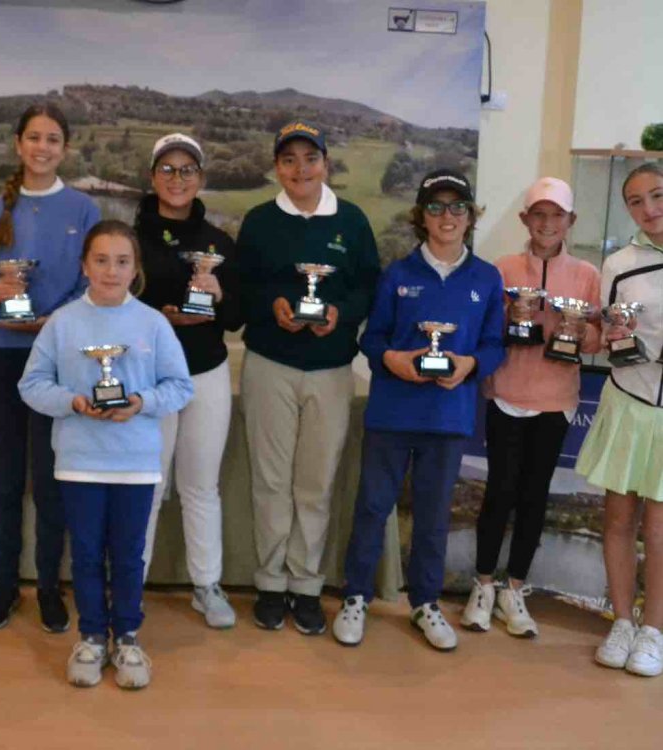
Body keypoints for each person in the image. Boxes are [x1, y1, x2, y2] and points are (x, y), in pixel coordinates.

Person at [333, 169, 505, 651]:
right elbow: (373, 339)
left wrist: (470, 363)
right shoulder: (398, 274)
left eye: (456, 207)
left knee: (432, 515)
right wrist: (392, 360)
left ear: (470, 217)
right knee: (372, 507)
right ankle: (356, 597)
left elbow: (495, 346)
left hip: (447, 418)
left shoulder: (487, 278)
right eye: (435, 207)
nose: (446, 217)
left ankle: (425, 603)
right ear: (421, 217)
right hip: (392, 413)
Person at [19, 220, 193, 690]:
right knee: (88, 555)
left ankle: (129, 637)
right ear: (85, 265)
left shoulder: (152, 324)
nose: (111, 271)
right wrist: (73, 402)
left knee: (130, 555)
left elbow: (179, 386)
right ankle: (93, 636)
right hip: (79, 460)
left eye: (121, 261)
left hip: (135, 463)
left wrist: (140, 403)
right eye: (101, 260)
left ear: (135, 268)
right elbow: (32, 384)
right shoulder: (63, 321)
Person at [236, 121, 381, 633]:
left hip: (330, 368)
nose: (301, 169)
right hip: (270, 365)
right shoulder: (258, 221)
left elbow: (369, 288)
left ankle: (306, 585)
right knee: (271, 480)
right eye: (290, 159)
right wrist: (270, 304)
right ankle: (270, 583)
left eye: (310, 158)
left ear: (326, 162)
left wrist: (340, 311)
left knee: (315, 484)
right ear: (277, 166)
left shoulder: (352, 221)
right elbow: (240, 289)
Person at [0, 103, 100, 632]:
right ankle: (5, 584)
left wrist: (53, 319)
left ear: (64, 149)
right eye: (33, 138)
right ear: (18, 144)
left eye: (52, 140)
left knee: (49, 482)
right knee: (5, 478)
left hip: (57, 360)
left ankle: (48, 585)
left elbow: (90, 286)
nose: (42, 148)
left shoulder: (83, 209)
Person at [461, 177, 600, 638]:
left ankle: (514, 588)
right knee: (499, 491)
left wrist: (573, 328)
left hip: (556, 400)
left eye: (556, 215)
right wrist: (513, 318)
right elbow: (486, 329)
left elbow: (598, 339)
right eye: (538, 214)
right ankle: (482, 585)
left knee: (534, 497)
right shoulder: (501, 269)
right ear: (525, 220)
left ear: (570, 222)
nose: (547, 223)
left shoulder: (586, 275)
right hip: (507, 396)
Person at [134, 133, 239, 628]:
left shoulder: (219, 243)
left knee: (200, 485)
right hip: (150, 375)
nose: (178, 179)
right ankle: (131, 584)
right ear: (153, 176)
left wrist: (216, 298)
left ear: (201, 179)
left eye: (188, 170)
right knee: (148, 485)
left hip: (206, 371)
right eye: (168, 169)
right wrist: (160, 316)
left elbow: (237, 316)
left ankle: (206, 584)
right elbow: (116, 303)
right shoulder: (129, 236)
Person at [577, 163, 663, 677]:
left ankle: (654, 630)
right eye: (636, 201)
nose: (649, 209)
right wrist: (612, 336)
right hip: (628, 401)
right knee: (618, 520)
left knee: (659, 530)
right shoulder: (618, 264)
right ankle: (622, 620)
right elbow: (611, 334)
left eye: (657, 195)